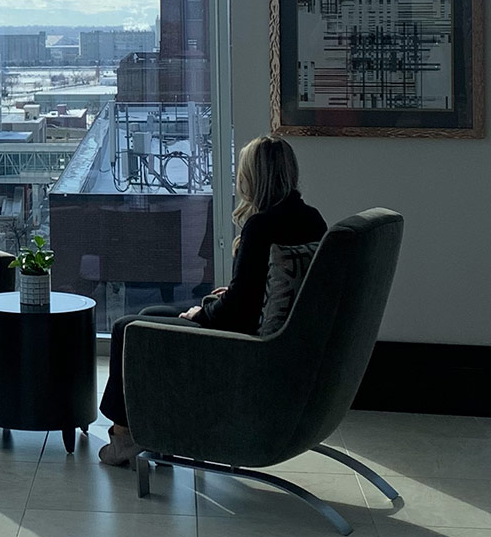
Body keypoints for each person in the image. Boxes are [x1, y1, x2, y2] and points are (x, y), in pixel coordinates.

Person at [97, 134, 326, 467]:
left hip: (241, 342)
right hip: (275, 337)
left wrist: (200, 315)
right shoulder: (313, 219)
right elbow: (264, 289)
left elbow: (238, 312)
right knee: (148, 315)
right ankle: (153, 431)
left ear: (253, 178)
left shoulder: (261, 226)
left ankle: (124, 437)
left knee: (126, 329)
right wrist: (228, 294)